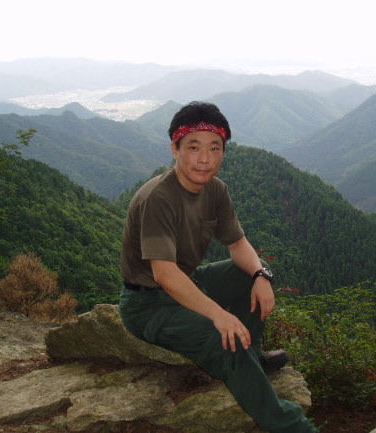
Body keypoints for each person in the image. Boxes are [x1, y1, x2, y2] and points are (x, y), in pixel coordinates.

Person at [119, 101, 317, 433]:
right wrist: (219, 315)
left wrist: (261, 275)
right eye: (193, 147)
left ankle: (252, 358)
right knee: (227, 339)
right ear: (175, 149)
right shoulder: (158, 198)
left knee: (252, 272)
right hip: (148, 304)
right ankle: (290, 425)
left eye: (214, 148)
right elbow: (164, 274)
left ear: (223, 152)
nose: (205, 158)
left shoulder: (215, 190)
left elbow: (237, 244)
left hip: (191, 282)